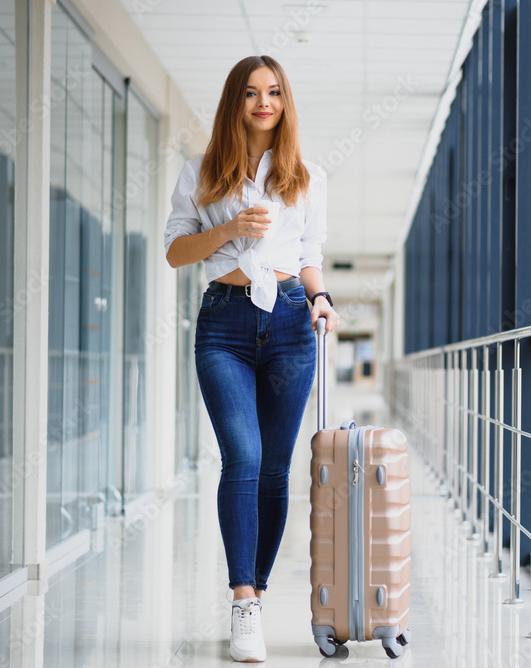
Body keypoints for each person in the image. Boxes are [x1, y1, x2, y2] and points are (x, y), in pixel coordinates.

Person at [164, 55, 339, 663]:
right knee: (242, 454)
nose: (263, 102)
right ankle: (241, 601)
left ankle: (257, 596)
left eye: (273, 92)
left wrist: (319, 299)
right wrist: (229, 226)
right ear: (234, 102)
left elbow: (310, 252)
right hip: (224, 324)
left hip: (292, 321)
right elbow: (176, 252)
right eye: (250, 93)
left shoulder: (308, 175)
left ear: (285, 102)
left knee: (273, 468)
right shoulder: (199, 171)